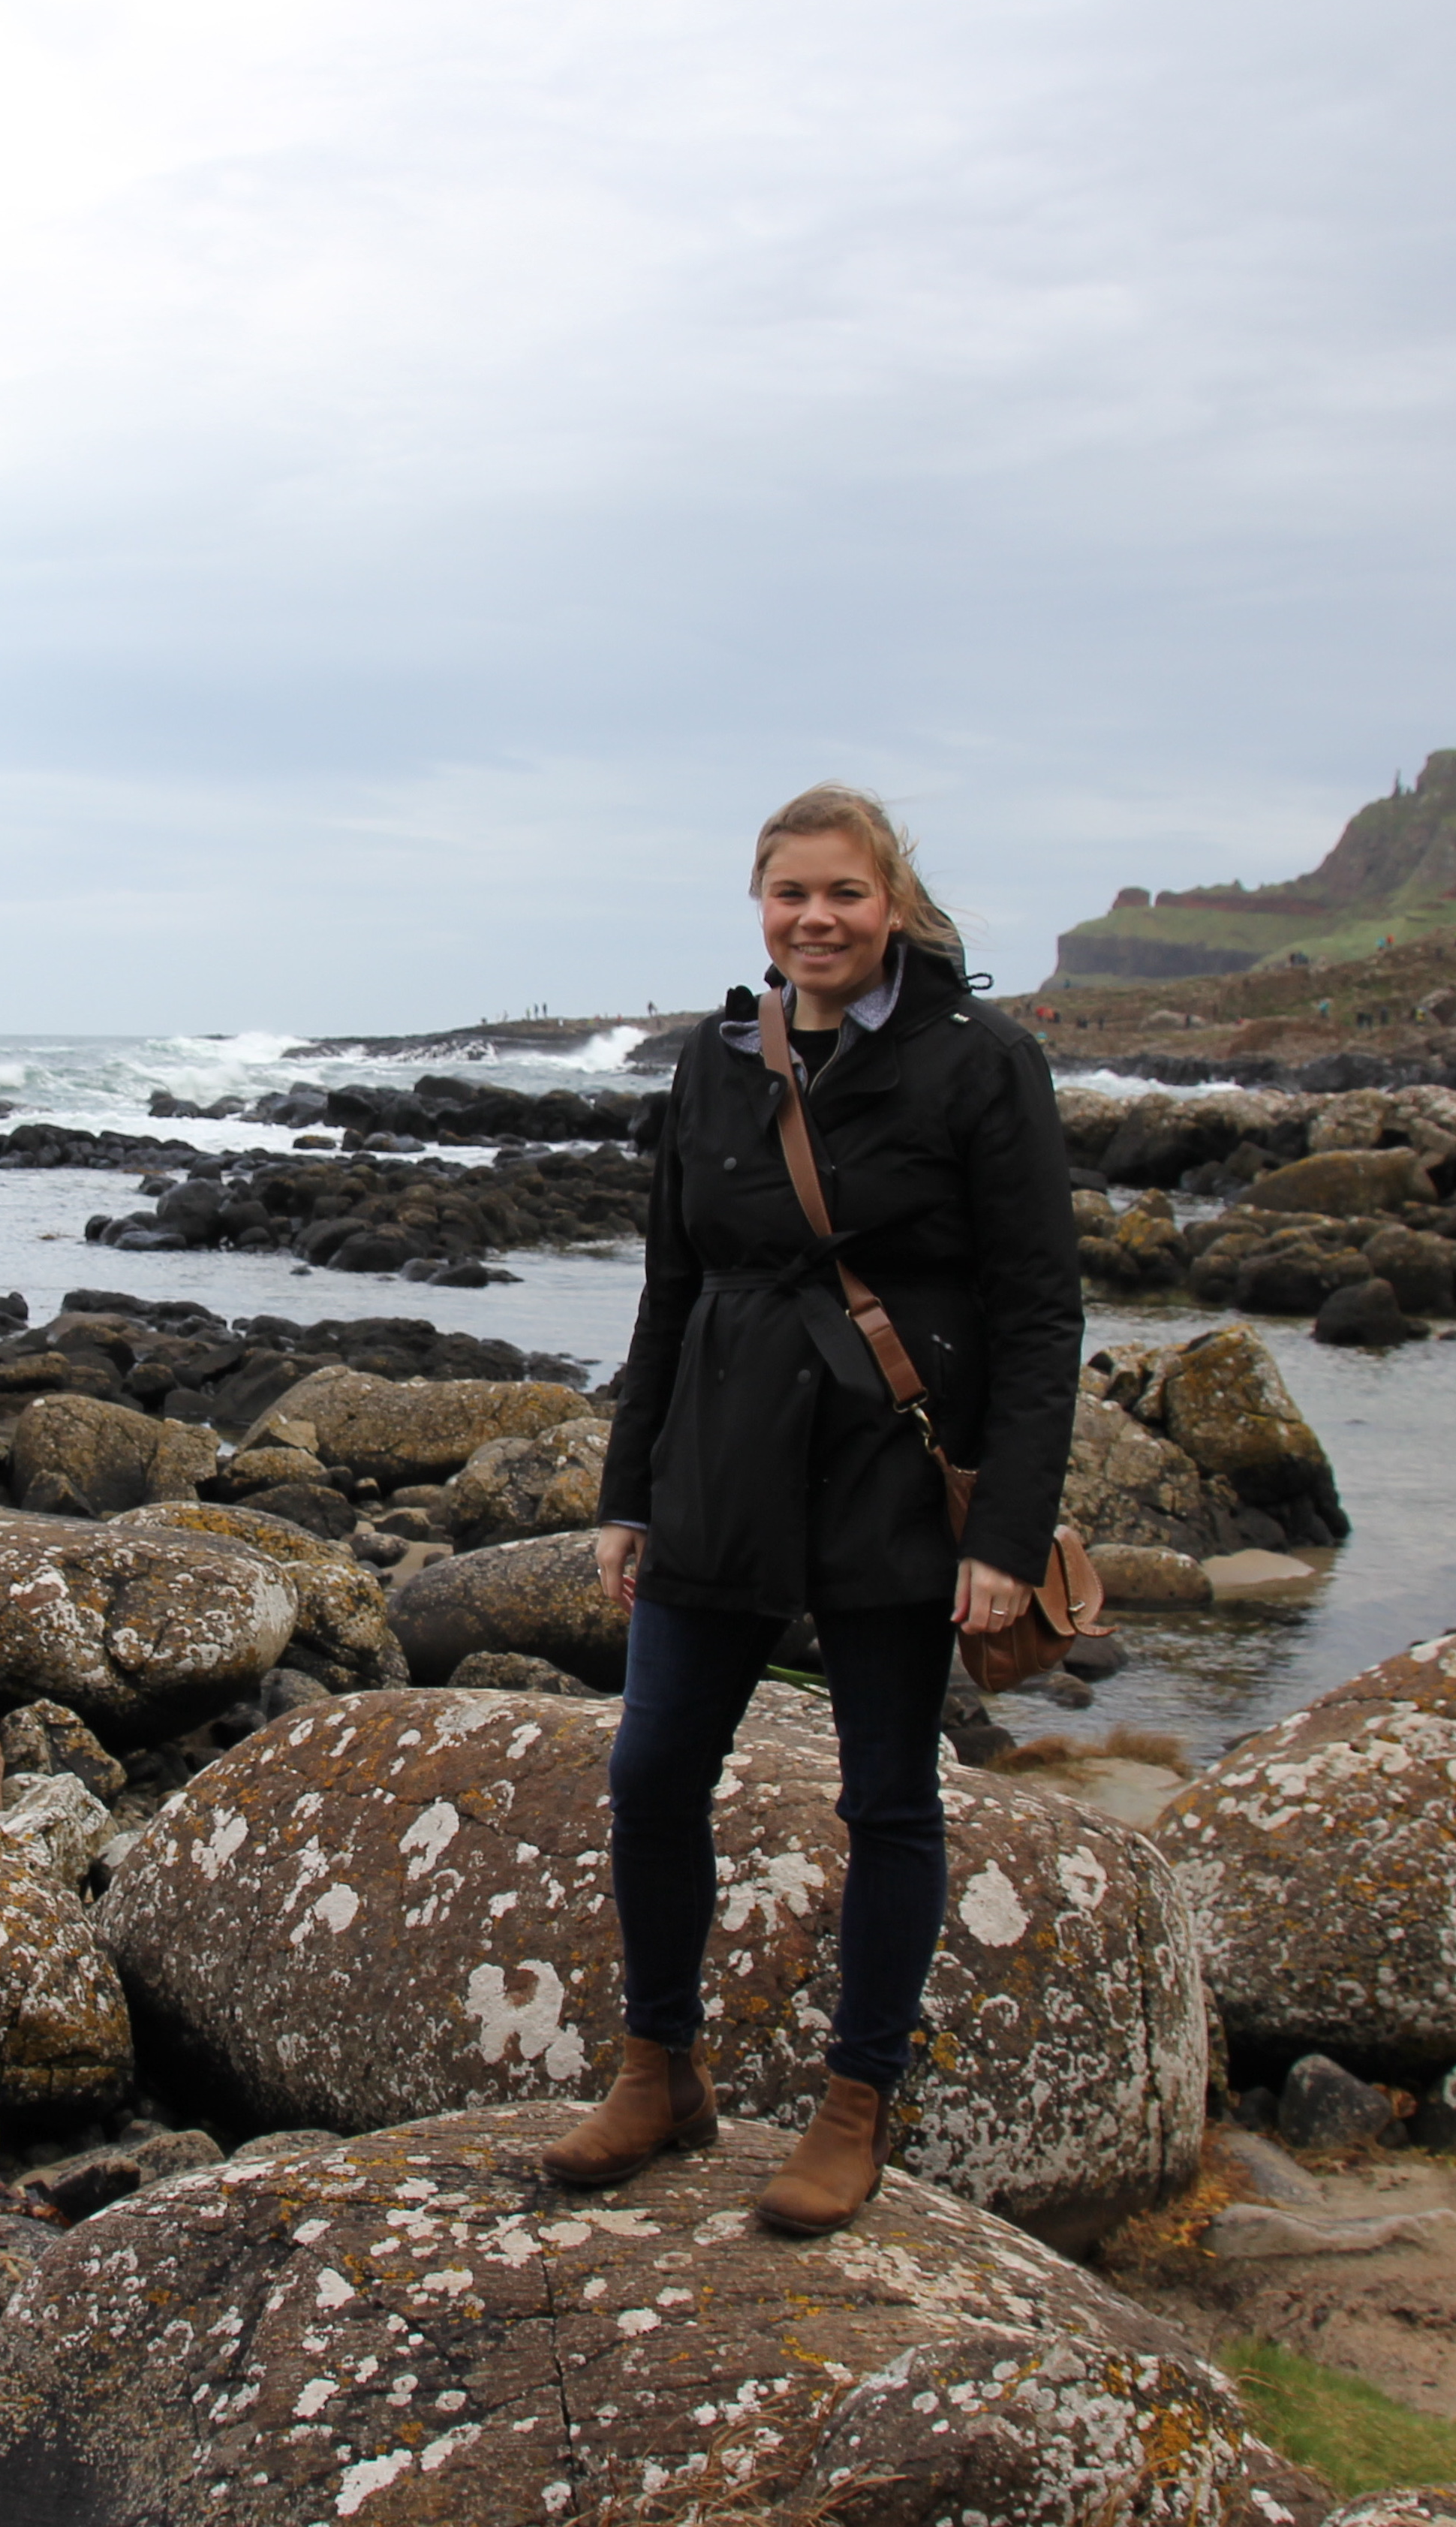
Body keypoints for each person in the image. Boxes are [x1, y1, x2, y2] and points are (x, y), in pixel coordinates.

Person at [541, 784, 1081, 2236]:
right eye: (790, 895)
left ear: (888, 903)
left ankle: (856, 2107)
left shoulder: (983, 1063)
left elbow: (1039, 1313)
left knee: (886, 1798)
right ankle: (660, 2069)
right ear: (760, 906)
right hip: (715, 1463)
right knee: (653, 1772)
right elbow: (670, 1285)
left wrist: (1005, 1536)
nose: (816, 919)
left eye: (842, 894)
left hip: (895, 1482)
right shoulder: (717, 1063)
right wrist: (626, 1488)